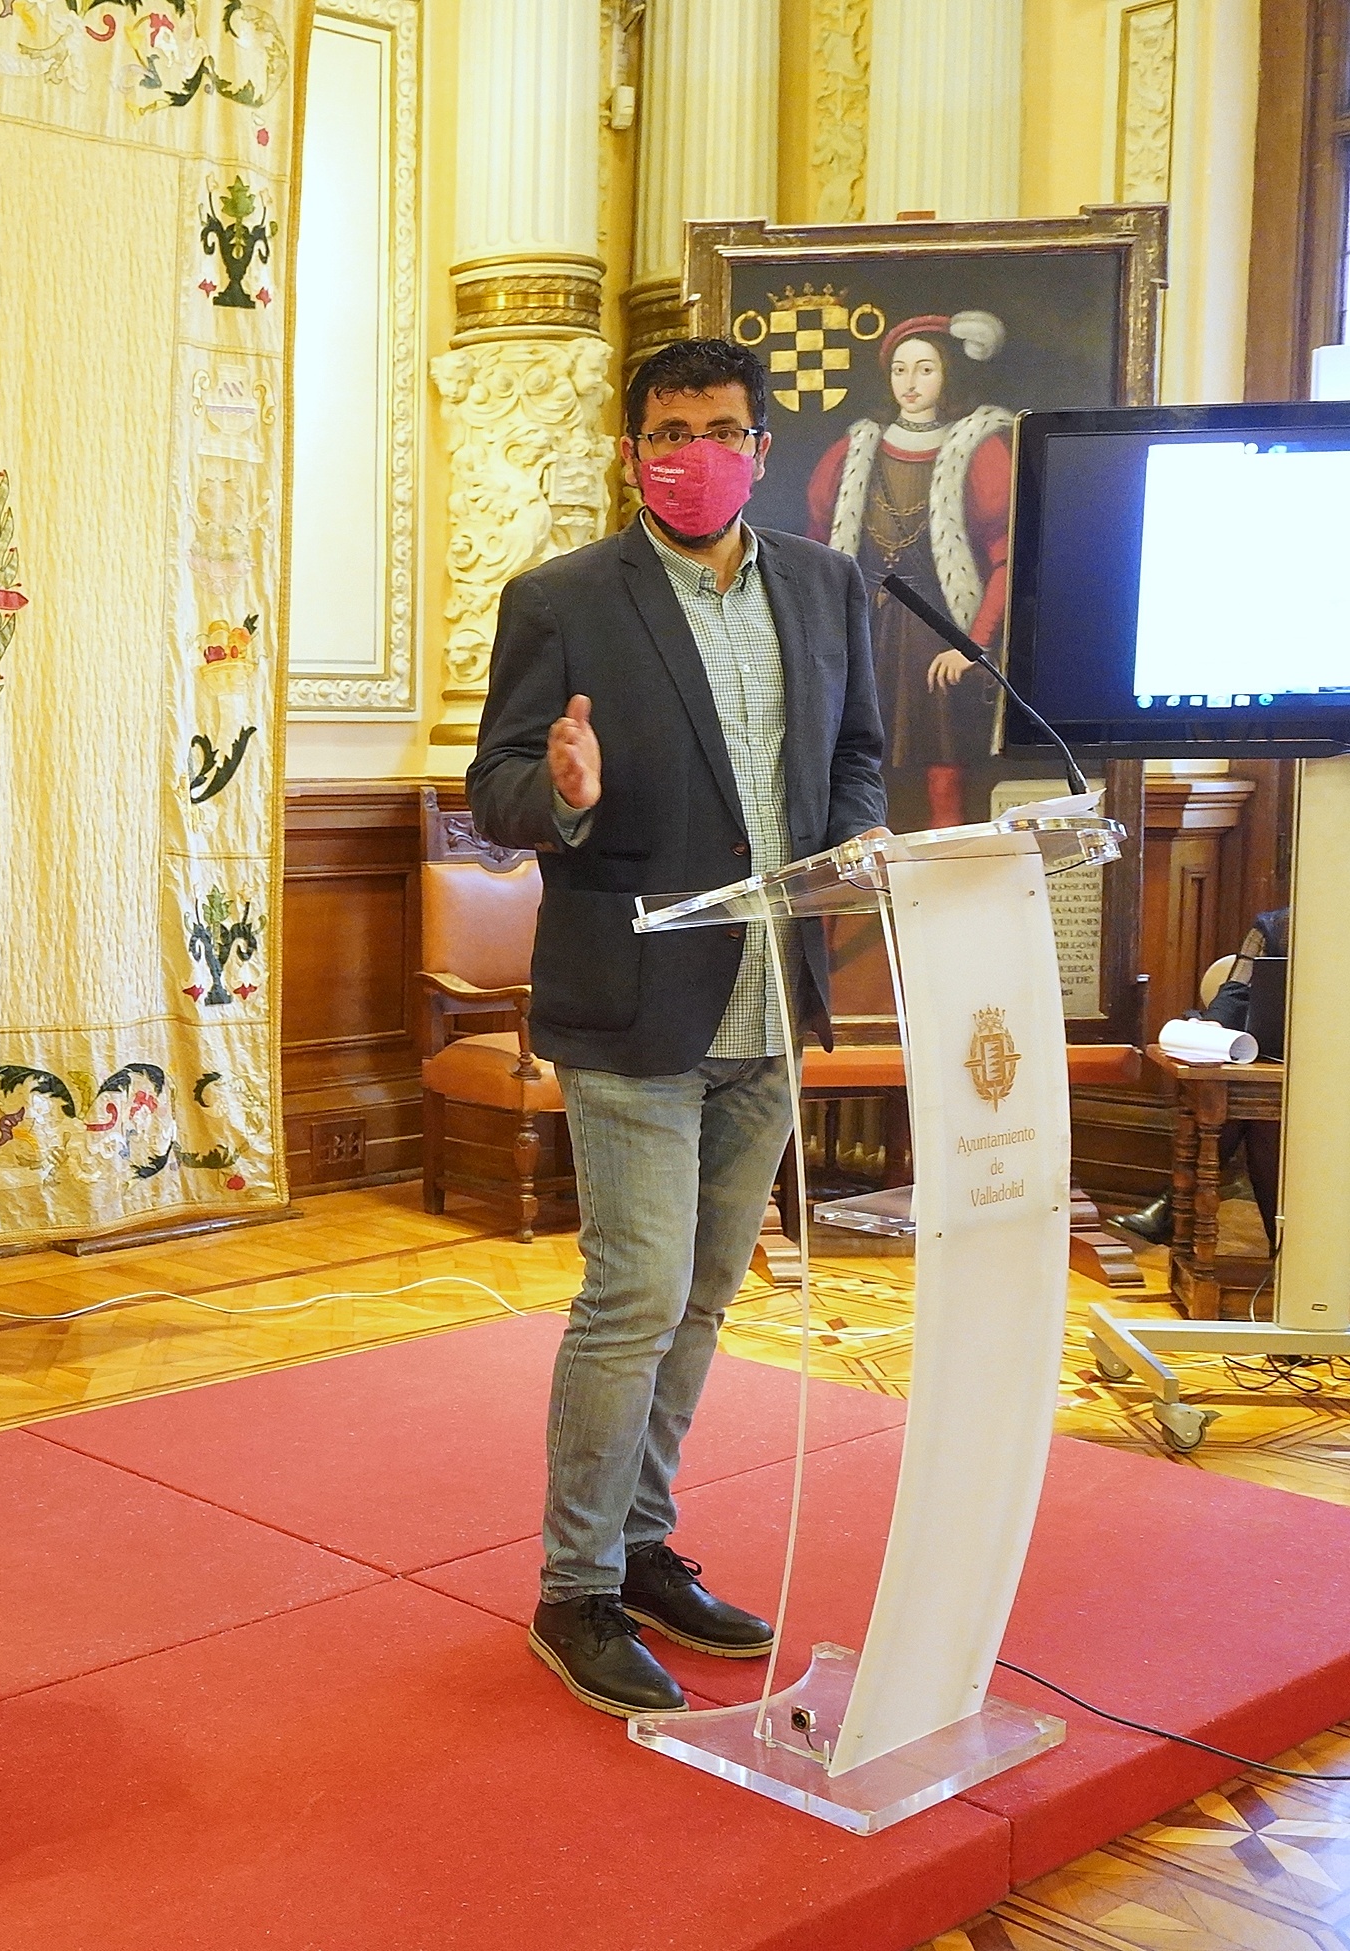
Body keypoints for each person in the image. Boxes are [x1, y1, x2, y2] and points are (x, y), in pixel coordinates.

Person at [468, 337, 888, 1717]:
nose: (692, 453)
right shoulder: (561, 599)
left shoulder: (825, 586)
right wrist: (563, 790)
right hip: (631, 996)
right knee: (634, 1294)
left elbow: (854, 753)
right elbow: (496, 786)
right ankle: (573, 1587)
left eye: (719, 429)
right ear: (630, 450)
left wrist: (854, 843)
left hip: (770, 994)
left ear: (759, 449)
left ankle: (639, 1543)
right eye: (667, 431)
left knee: (703, 1294)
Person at [808, 311, 1015, 830]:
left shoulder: (979, 448)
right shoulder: (854, 451)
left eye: (925, 369)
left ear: (948, 374)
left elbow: (1006, 559)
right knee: (862, 773)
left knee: (944, 772)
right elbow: (814, 549)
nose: (911, 382)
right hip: (868, 631)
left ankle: (949, 878)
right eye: (900, 370)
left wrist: (972, 645)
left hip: (941, 633)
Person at [1112, 906, 1289, 1245]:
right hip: (1278, 1056)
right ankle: (1282, 1249)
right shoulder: (1276, 925)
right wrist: (1214, 1023)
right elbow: (1237, 988)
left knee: (1250, 1116)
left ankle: (1173, 1210)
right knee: (1249, 1112)